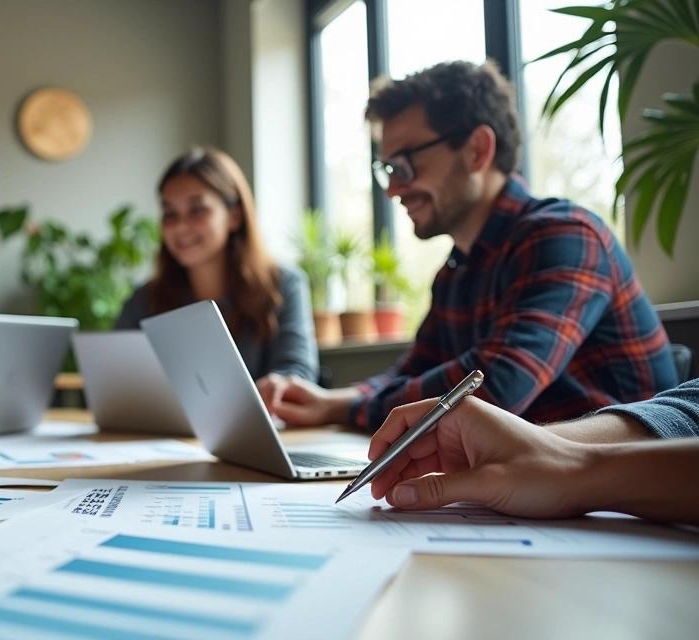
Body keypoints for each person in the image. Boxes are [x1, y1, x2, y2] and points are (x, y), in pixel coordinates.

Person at [264, 60, 677, 431]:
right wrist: (326, 402)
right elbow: (412, 372)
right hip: (529, 488)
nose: (392, 189)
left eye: (404, 165)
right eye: (386, 169)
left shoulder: (565, 236)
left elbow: (492, 388)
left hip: (619, 500)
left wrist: (346, 409)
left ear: (478, 149)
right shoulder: (457, 270)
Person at [115, 146, 319, 390]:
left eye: (197, 210)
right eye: (169, 213)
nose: (180, 226)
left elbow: (298, 372)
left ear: (234, 216)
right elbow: (115, 379)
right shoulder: (145, 300)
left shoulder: (284, 285)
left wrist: (281, 386)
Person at [366, 380, 699, 524]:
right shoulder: (456, 270)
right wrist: (548, 446)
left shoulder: (565, 238)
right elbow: (688, 406)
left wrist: (575, 468)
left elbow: (507, 377)